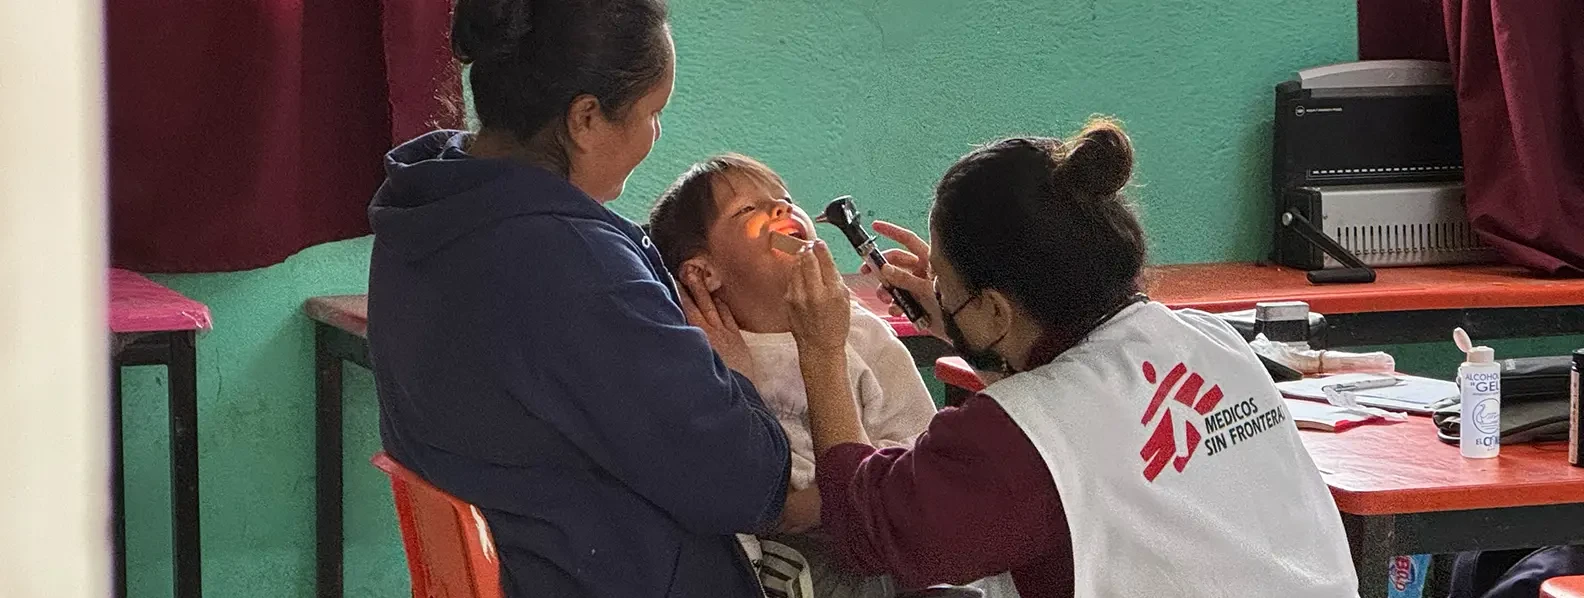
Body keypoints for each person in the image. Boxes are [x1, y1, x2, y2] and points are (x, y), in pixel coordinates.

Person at [783, 119, 1359, 597]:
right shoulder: (1209, 339)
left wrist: (821, 348)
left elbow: (868, 528)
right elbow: (1078, 408)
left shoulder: (1019, 440)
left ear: (995, 310)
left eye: (943, 279)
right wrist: (963, 325)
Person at [366, 1, 818, 596]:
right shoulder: (572, 267)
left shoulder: (424, 211)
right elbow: (745, 485)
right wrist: (734, 372)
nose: (657, 134)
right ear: (584, 118)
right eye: (652, 112)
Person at [646, 154, 939, 598]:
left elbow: (917, 450)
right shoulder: (707, 357)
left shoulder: (862, 334)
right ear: (703, 272)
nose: (783, 210)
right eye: (748, 210)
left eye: (784, 199)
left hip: (878, 551)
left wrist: (822, 505)